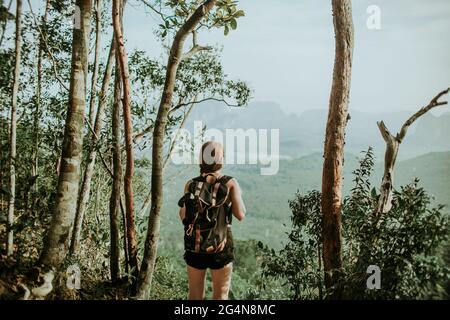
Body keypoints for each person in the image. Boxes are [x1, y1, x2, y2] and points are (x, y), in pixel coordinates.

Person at [178, 141, 246, 300]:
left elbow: (183, 214)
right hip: (221, 245)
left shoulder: (191, 184)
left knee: (194, 296)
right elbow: (240, 214)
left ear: (201, 159)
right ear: (221, 160)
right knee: (221, 295)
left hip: (195, 245)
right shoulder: (230, 183)